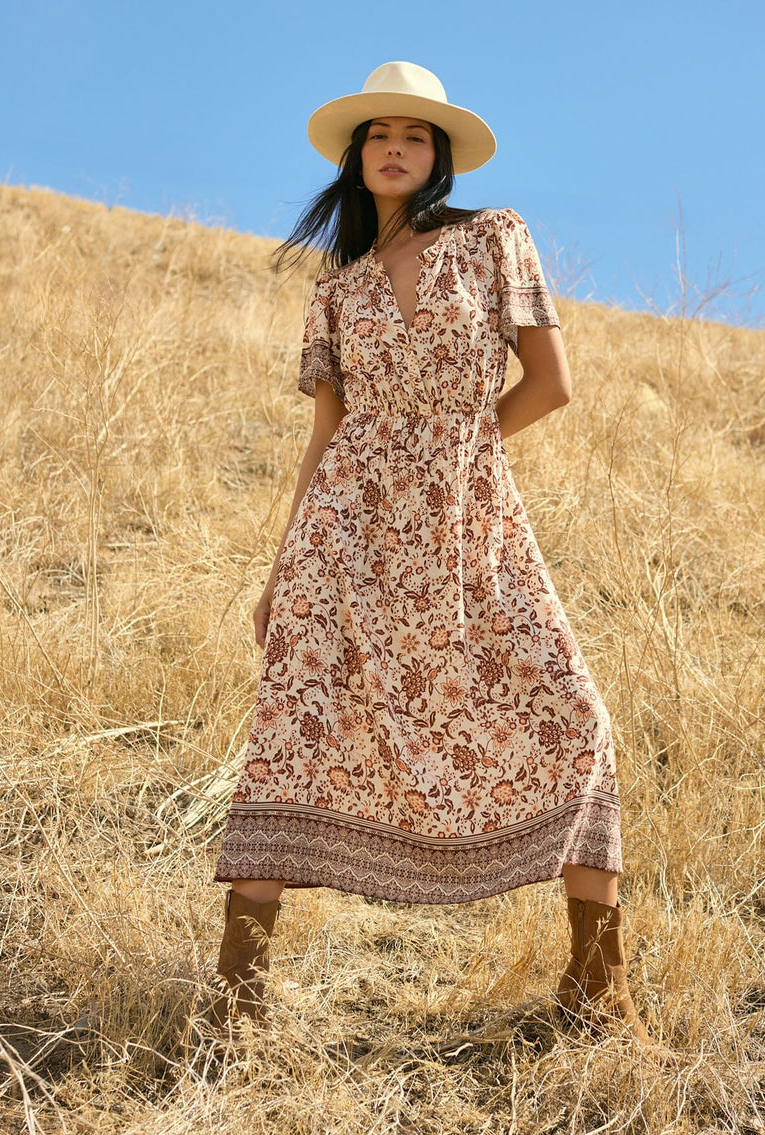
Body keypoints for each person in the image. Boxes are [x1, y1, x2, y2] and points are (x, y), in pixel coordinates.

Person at [210, 61, 649, 1043]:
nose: (396, 147)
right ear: (357, 159)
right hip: (343, 535)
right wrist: (283, 568)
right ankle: (234, 1006)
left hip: (470, 521)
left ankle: (594, 989)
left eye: (414, 135)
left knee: (574, 713)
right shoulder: (337, 290)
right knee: (292, 737)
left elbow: (549, 384)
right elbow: (324, 434)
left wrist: (457, 453)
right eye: (378, 136)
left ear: (438, 156)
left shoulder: (494, 239)